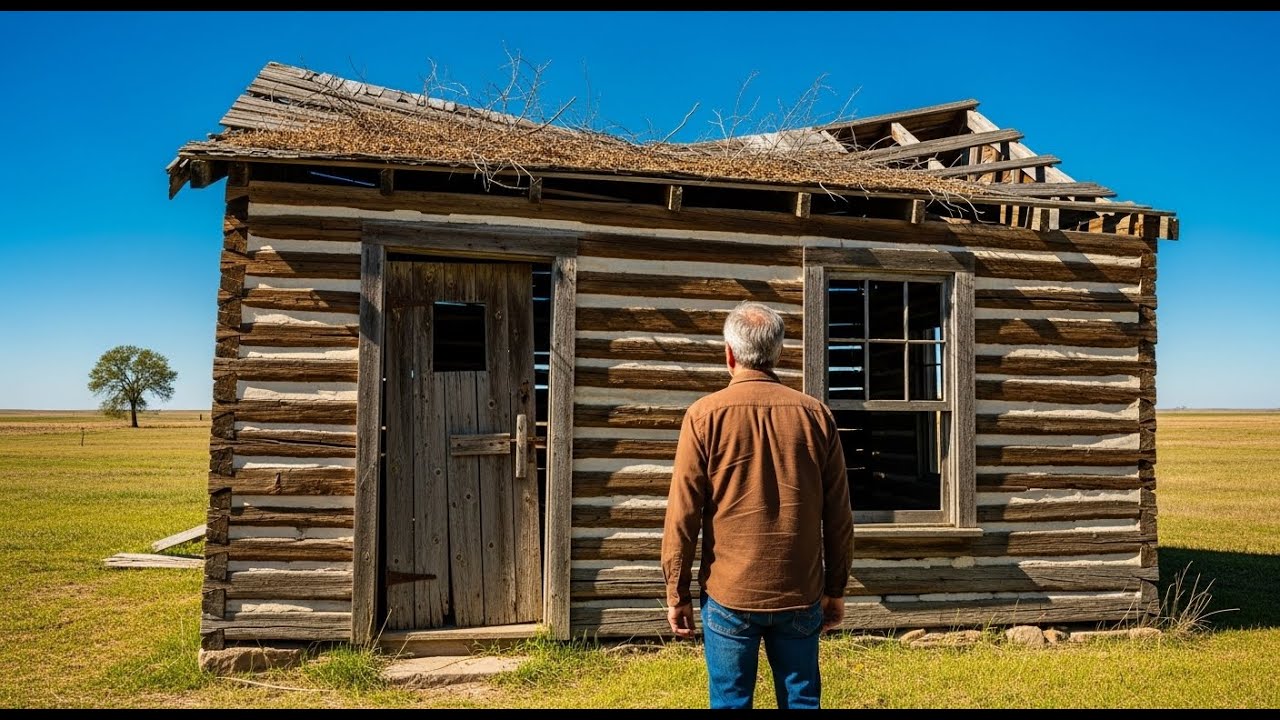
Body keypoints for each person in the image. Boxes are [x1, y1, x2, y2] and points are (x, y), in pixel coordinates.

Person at [661, 300, 854, 710]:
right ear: (778, 352)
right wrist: (835, 588)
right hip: (799, 591)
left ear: (729, 354)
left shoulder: (703, 416)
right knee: (803, 702)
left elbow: (682, 516)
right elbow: (838, 516)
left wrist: (676, 592)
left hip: (729, 593)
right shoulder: (816, 416)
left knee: (731, 703)